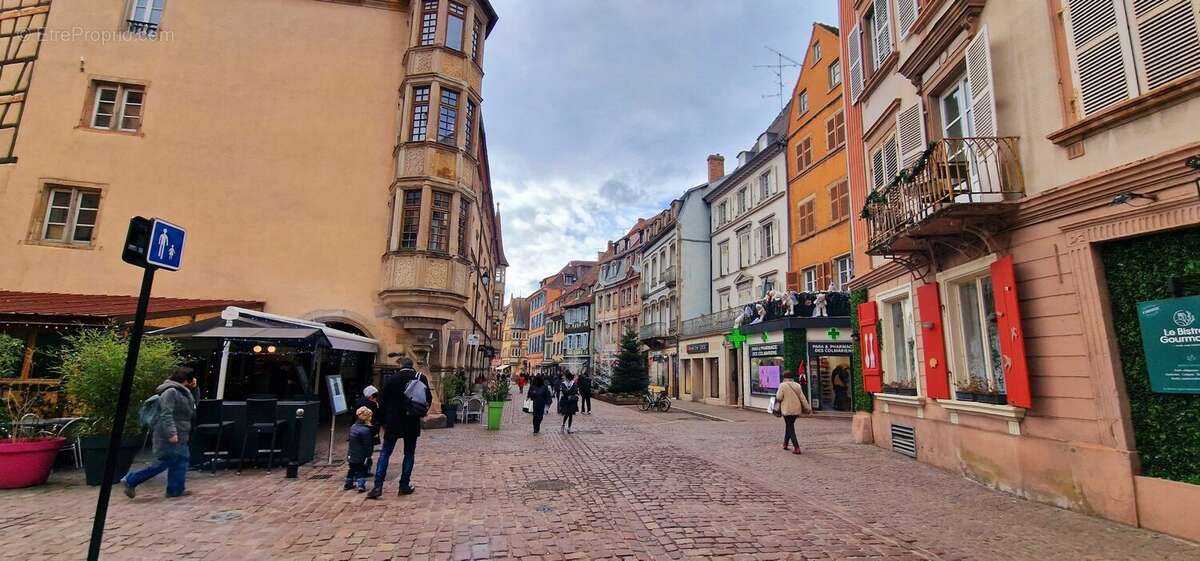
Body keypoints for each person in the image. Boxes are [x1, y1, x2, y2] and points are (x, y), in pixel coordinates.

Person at [121, 368, 198, 499]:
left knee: (180, 461)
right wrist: (171, 433)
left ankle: (175, 490)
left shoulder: (184, 392)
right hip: (168, 434)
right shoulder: (171, 392)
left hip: (182, 433)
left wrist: (194, 389)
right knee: (163, 462)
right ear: (186, 380)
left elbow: (193, 407)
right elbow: (166, 414)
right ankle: (131, 479)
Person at [367, 358, 431, 499]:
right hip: (411, 421)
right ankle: (404, 485)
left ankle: (378, 486)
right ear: (412, 366)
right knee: (409, 453)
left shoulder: (391, 379)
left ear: (400, 366)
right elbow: (428, 399)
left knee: (385, 453)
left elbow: (381, 403)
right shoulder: (420, 378)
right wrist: (420, 412)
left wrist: (381, 421)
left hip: (392, 422)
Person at [774, 372, 812, 454]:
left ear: (784, 377)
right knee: (789, 425)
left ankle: (796, 447)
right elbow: (802, 398)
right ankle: (785, 444)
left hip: (787, 410)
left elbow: (779, 397)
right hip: (796, 410)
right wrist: (807, 408)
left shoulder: (782, 385)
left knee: (790, 427)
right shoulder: (797, 385)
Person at [344, 406, 374, 492]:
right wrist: (369, 456)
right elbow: (367, 445)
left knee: (352, 469)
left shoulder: (353, 427)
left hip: (351, 453)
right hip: (360, 455)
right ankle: (361, 485)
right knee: (361, 469)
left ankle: (348, 483)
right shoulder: (365, 431)